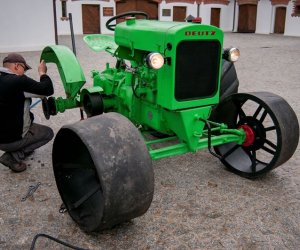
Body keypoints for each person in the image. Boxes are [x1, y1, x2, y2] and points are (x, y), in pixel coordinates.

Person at [0, 53, 54, 172]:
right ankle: (13, 156)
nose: (24, 73)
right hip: (9, 140)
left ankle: (19, 147)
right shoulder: (18, 81)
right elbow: (47, 90)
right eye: (24, 69)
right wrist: (42, 73)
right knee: (48, 133)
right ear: (17, 66)